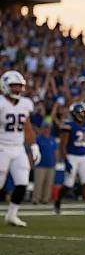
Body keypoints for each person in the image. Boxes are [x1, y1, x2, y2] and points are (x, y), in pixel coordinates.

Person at [0, 70, 41, 226]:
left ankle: (12, 214)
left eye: (19, 86)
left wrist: (33, 146)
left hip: (18, 148)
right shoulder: (1, 103)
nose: (17, 89)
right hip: (2, 147)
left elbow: (27, 127)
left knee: (22, 182)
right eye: (14, 86)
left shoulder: (25, 104)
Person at [54, 101, 85, 215]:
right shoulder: (68, 126)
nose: (84, 115)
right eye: (82, 112)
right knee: (68, 184)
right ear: (75, 113)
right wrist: (66, 160)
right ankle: (57, 201)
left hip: (84, 156)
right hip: (72, 156)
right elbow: (62, 145)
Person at [32, 122, 58, 204]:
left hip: (51, 165)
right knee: (38, 183)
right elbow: (33, 151)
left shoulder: (52, 139)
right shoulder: (37, 139)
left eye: (48, 128)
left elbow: (55, 151)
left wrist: (55, 161)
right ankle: (36, 199)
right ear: (42, 129)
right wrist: (32, 162)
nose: (47, 130)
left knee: (49, 183)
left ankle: (45, 199)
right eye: (45, 128)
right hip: (40, 165)